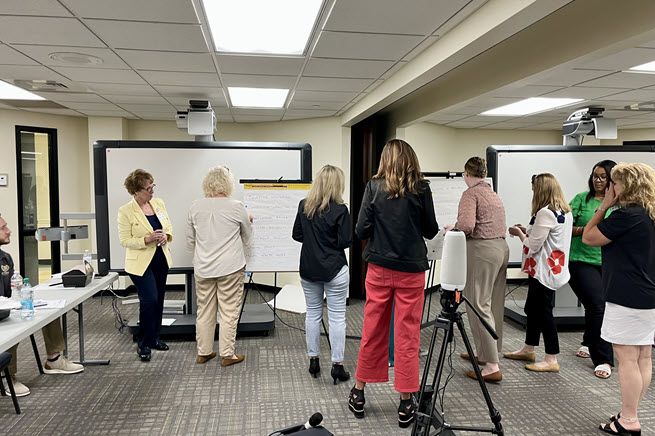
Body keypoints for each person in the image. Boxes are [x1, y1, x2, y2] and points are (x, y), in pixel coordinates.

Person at [349, 139, 439, 428]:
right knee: (407, 336)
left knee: (372, 329)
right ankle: (405, 402)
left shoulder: (373, 187)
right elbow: (431, 229)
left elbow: (361, 228)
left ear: (385, 160)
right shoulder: (421, 188)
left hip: (379, 268)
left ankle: (359, 392)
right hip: (412, 270)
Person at [583, 163, 655, 436]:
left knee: (626, 358)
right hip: (648, 295)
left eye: (615, 182)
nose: (611, 187)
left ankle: (629, 419)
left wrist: (604, 206)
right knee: (643, 357)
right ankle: (630, 412)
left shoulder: (626, 215)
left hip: (627, 295)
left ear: (626, 185)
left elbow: (589, 237)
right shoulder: (649, 213)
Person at [0, 214, 83, 397]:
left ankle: (54, 359)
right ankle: (7, 376)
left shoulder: (5, 258)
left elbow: (10, 290)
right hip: (3, 313)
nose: (9, 230)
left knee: (48, 311)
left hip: (6, 308)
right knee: (13, 327)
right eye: (3, 228)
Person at [504, 173, 572, 373]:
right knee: (532, 309)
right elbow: (548, 236)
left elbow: (532, 245)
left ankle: (552, 358)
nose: (532, 192)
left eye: (534, 189)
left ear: (541, 189)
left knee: (543, 313)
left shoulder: (545, 212)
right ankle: (528, 348)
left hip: (543, 270)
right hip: (551, 268)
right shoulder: (563, 211)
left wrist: (519, 234)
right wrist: (527, 230)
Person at [450, 157, 509, 383]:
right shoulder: (492, 193)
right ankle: (486, 353)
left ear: (466, 173)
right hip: (501, 248)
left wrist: (451, 228)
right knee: (492, 304)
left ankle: (491, 366)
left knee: (477, 304)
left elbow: (466, 226)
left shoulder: (471, 194)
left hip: (482, 250)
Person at [187, 166, 253, 367]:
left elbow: (190, 241)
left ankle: (204, 352)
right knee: (228, 311)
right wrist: (248, 220)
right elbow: (247, 236)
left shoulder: (195, 207)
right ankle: (227, 354)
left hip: (203, 268)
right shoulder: (236, 206)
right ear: (227, 184)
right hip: (230, 268)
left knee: (205, 310)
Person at [292, 165, 352, 384]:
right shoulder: (340, 210)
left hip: (308, 269)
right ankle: (337, 365)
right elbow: (346, 241)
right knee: (337, 317)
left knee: (313, 315)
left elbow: (296, 234)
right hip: (334, 269)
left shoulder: (304, 206)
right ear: (337, 184)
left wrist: (313, 242)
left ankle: (314, 361)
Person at [117, 169, 173, 362]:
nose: (152, 191)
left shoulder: (158, 203)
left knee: (159, 300)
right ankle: (144, 343)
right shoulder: (126, 211)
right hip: (140, 263)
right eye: (148, 188)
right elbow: (125, 240)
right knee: (149, 299)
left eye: (152, 186)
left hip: (160, 258)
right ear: (136, 191)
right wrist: (146, 239)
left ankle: (155, 337)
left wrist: (166, 236)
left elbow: (168, 227)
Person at [568, 160, 616, 379]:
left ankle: (588, 341)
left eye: (603, 177)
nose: (598, 180)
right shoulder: (581, 199)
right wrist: (586, 230)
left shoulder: (621, 204)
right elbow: (564, 226)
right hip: (580, 260)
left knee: (597, 306)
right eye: (595, 176)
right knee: (597, 306)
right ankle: (604, 358)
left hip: (608, 264)